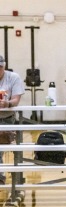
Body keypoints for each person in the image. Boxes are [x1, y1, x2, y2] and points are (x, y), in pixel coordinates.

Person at [0, 54, 25, 186]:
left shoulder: (13, 77)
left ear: (4, 67)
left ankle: (1, 176)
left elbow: (16, 99)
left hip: (7, 118)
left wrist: (7, 104)